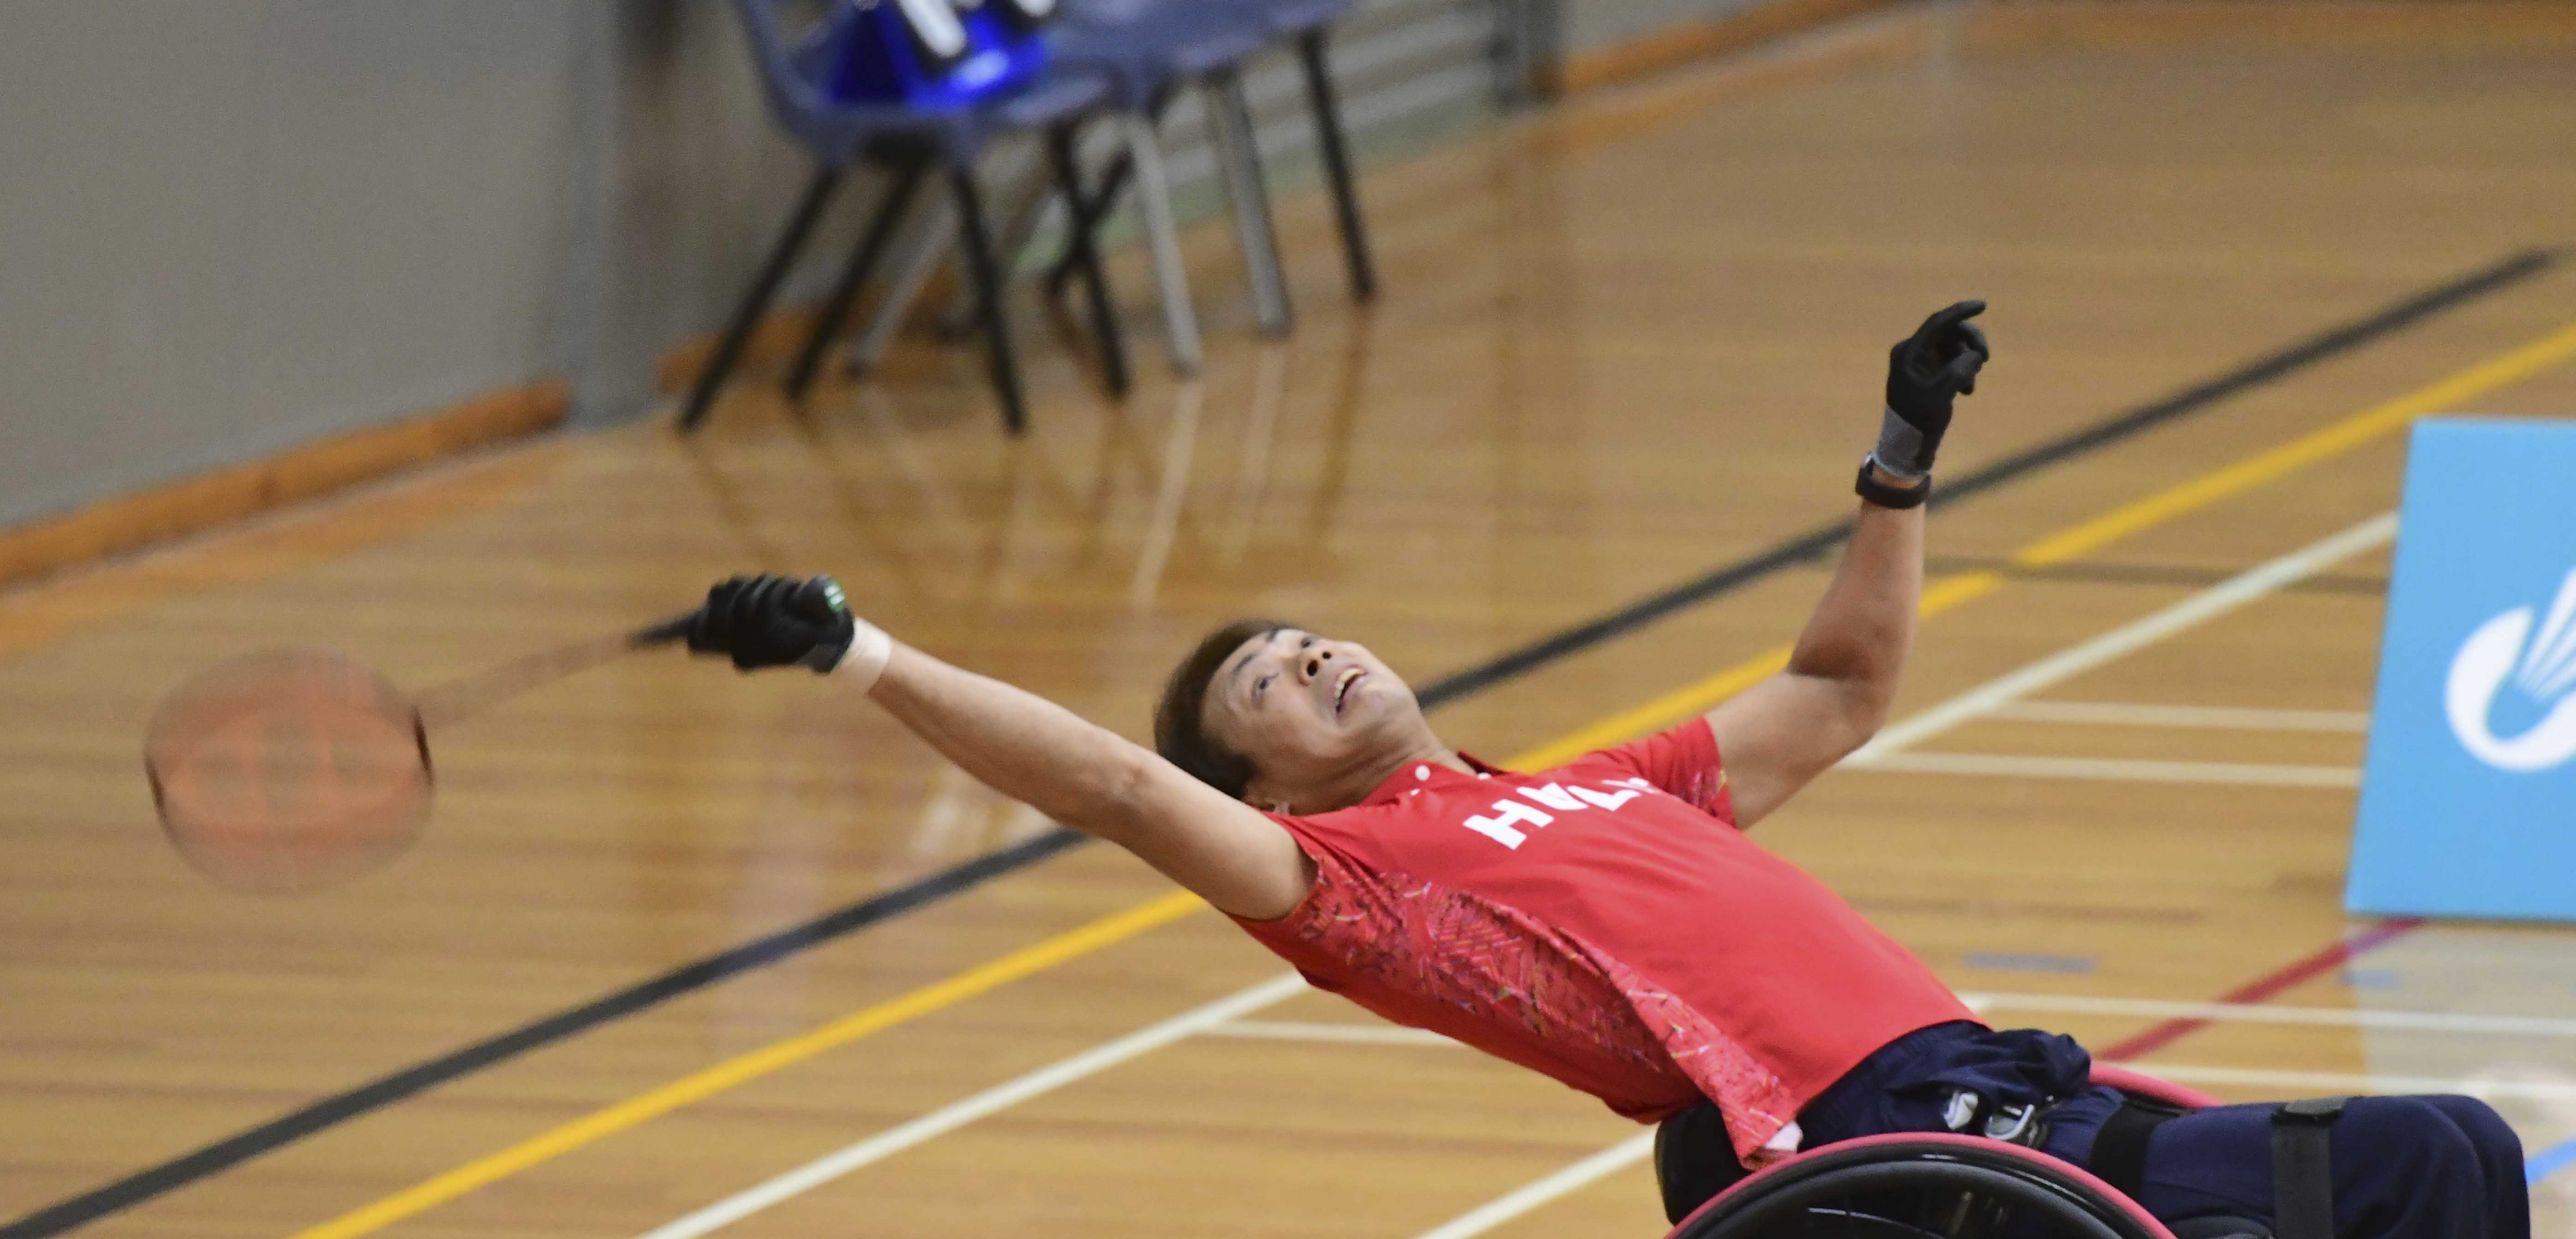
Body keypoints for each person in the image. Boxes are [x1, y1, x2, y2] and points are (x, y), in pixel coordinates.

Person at [677, 303, 2527, 1239]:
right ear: (1276, 788)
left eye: (1309, 633)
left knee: (2448, 1146)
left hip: (2004, 1088)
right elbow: (1127, 795)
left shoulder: (1590, 789)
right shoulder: (1367, 893)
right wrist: (867, 650)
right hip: (1895, 1155)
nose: (1313, 653)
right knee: (2428, 1159)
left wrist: (1901, 454)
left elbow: (1842, 686)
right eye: (1268, 682)